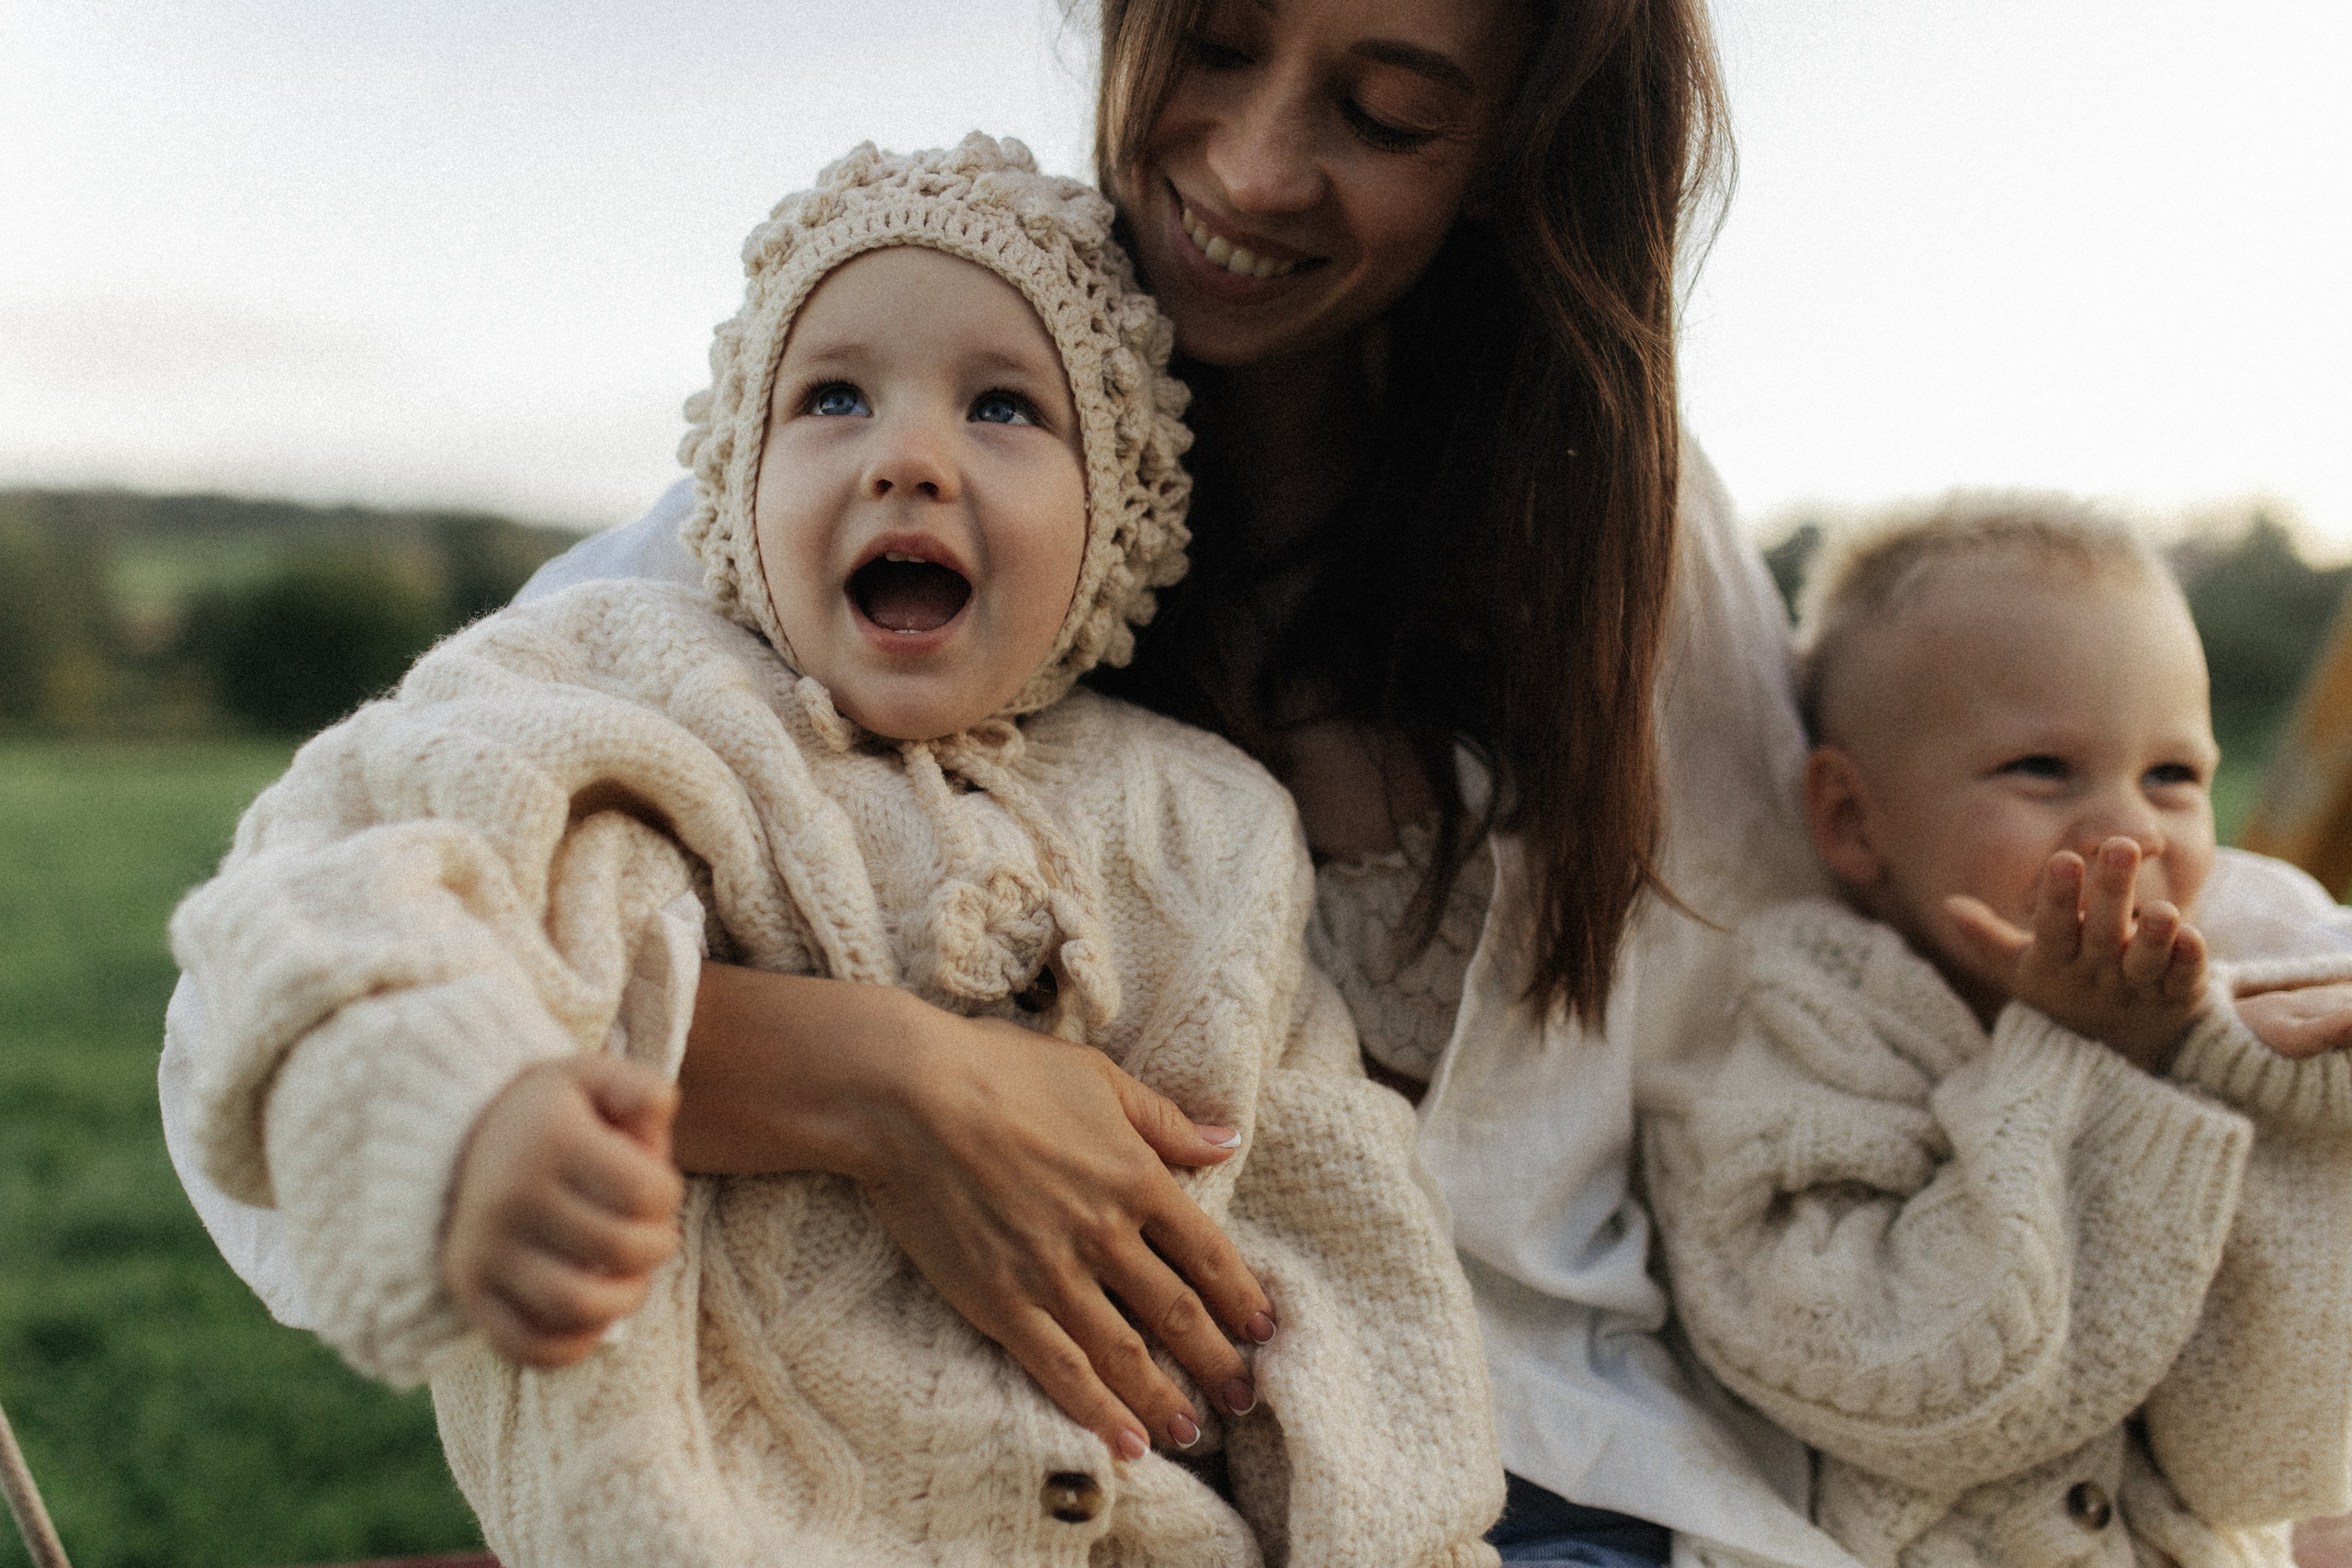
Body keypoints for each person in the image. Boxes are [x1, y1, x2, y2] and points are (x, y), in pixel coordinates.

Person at [157, 4, 2352, 1566]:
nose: (1249, 160)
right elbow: (392, 885)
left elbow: (1861, 889)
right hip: (1011, 1466)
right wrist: (882, 1076)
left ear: (1502, 145)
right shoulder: (903, 401)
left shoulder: (1602, 519)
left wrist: (2241, 949)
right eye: (1206, 44)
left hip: (1573, 1461)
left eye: (1386, 106)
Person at [169, 137, 1503, 1566]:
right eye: (832, 397)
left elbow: (1338, 1250)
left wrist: (1400, 1539)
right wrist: (471, 1117)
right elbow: (346, 882)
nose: (909, 458)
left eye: (1004, 405)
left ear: (1119, 514)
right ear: (738, 484)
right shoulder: (615, 692)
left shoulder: (1208, 827)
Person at [1645, 499, 2352, 1567]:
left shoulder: (2215, 997)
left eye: (2173, 777)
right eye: (2041, 770)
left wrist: (2276, 1098)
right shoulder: (1794, 1037)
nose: (2129, 830)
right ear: (1851, 818)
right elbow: (1920, 1386)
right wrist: (2085, 1057)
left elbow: (2252, 1461)